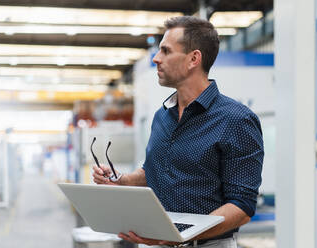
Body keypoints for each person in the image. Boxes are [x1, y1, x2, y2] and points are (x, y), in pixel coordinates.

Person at [93, 16, 263, 248]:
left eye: (165, 51)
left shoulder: (236, 119)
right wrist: (119, 180)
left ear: (194, 58)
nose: (156, 59)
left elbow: (242, 206)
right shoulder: (162, 116)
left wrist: (183, 235)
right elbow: (155, 171)